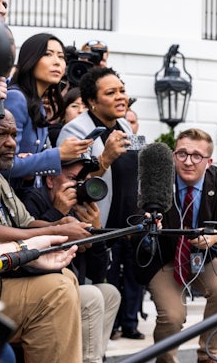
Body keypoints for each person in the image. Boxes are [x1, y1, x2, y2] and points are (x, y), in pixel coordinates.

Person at [0, 108, 91, 363]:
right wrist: (55, 230)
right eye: (1, 134)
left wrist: (63, 224)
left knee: (66, 277)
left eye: (13, 134)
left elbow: (26, 223)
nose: (12, 142)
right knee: (55, 292)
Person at [136, 128, 217, 363]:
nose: (188, 162)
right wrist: (148, 226)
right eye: (182, 154)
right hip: (166, 257)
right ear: (173, 156)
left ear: (209, 161)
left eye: (196, 156)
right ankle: (165, 360)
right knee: (172, 316)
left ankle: (208, 355)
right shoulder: (158, 179)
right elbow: (135, 218)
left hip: (206, 255)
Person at [58, 66, 145, 340]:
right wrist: (104, 159)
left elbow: (136, 171)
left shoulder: (123, 126)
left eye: (122, 90)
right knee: (90, 300)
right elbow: (73, 187)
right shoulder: (75, 131)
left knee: (111, 298)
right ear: (92, 102)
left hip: (123, 229)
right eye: (111, 93)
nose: (121, 97)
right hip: (92, 229)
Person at [22, 155, 121, 363]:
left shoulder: (82, 208)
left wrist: (97, 234)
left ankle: (93, 357)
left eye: (82, 181)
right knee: (92, 296)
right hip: (44, 286)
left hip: (72, 282)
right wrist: (57, 212)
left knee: (110, 293)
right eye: (71, 178)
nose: (77, 186)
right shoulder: (33, 199)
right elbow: (26, 247)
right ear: (51, 180)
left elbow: (98, 274)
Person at [5, 33, 93, 195]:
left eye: (61, 56)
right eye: (48, 54)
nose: (57, 62)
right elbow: (4, 165)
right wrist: (58, 154)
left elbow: (27, 171)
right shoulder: (16, 98)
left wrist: (29, 175)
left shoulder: (35, 102)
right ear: (30, 59)